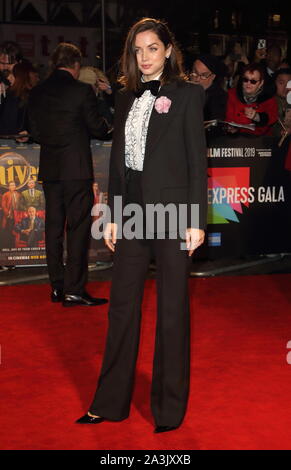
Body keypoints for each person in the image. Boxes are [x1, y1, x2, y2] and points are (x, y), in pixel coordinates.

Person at [76, 18, 207, 433]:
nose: (145, 57)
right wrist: (112, 214)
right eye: (138, 50)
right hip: (132, 212)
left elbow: (196, 159)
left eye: (153, 48)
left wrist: (196, 220)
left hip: (173, 214)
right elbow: (118, 163)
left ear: (168, 50)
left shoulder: (187, 95)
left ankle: (168, 410)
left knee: (171, 311)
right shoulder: (125, 94)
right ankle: (109, 402)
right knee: (121, 309)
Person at [28, 42, 111, 307]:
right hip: (76, 170)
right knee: (77, 229)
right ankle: (74, 290)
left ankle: (56, 287)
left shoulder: (38, 92)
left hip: (51, 169)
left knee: (53, 228)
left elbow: (34, 131)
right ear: (76, 66)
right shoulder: (81, 91)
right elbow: (98, 128)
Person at [225, 63, 277, 136]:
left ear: (261, 83)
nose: (248, 83)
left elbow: (272, 118)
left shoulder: (268, 99)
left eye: (253, 81)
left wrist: (257, 117)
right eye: (245, 79)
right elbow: (227, 118)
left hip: (259, 141)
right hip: (234, 139)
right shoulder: (231, 94)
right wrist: (230, 128)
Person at [0, 62, 39, 140]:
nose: (38, 79)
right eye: (36, 76)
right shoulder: (27, 96)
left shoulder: (8, 95)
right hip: (18, 142)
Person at [1, 181, 23, 247]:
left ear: (15, 187)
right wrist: (7, 213)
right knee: (9, 230)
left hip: (17, 215)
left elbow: (20, 205)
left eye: (14, 185)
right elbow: (3, 205)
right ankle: (9, 244)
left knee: (16, 229)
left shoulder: (18, 194)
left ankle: (15, 243)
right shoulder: (5, 194)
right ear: (9, 187)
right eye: (11, 185)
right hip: (9, 215)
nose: (13, 186)